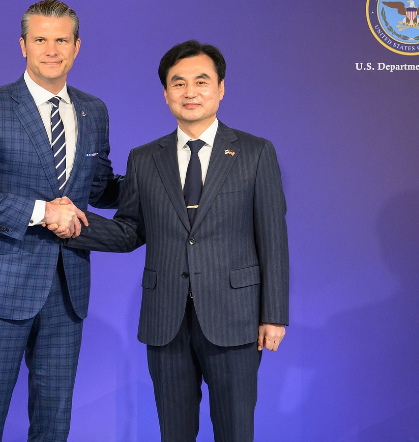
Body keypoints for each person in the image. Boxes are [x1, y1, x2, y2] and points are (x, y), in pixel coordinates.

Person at [55, 40, 289, 442]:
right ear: (165, 94)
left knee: (236, 432)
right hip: (166, 319)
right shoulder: (145, 158)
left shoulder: (255, 152)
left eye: (201, 81)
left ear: (220, 89)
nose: (190, 92)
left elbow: (273, 237)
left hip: (235, 318)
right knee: (174, 434)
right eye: (178, 83)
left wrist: (274, 315)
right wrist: (73, 224)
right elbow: (130, 230)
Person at [0, 0, 121, 442]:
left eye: (62, 40)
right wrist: (44, 212)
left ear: (77, 46)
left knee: (54, 427)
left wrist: (168, 176)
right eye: (40, 39)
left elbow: (98, 187)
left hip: (66, 292)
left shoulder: (94, 110)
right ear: (23, 45)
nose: (52, 50)